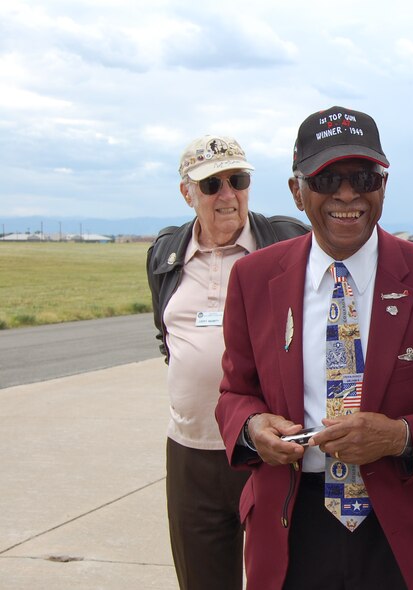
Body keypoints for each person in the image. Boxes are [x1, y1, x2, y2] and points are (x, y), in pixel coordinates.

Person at [214, 106, 413, 589]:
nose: (347, 194)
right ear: (296, 191)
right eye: (327, 180)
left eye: (363, 177)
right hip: (293, 526)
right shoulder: (254, 279)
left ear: (383, 185)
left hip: (408, 531)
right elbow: (233, 393)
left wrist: (400, 436)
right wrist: (251, 427)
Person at [147, 134, 309, 590]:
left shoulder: (285, 241)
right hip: (190, 453)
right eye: (211, 184)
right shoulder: (165, 254)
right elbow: (167, 336)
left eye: (237, 180)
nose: (227, 194)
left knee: (280, 577)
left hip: (267, 451)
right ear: (187, 193)